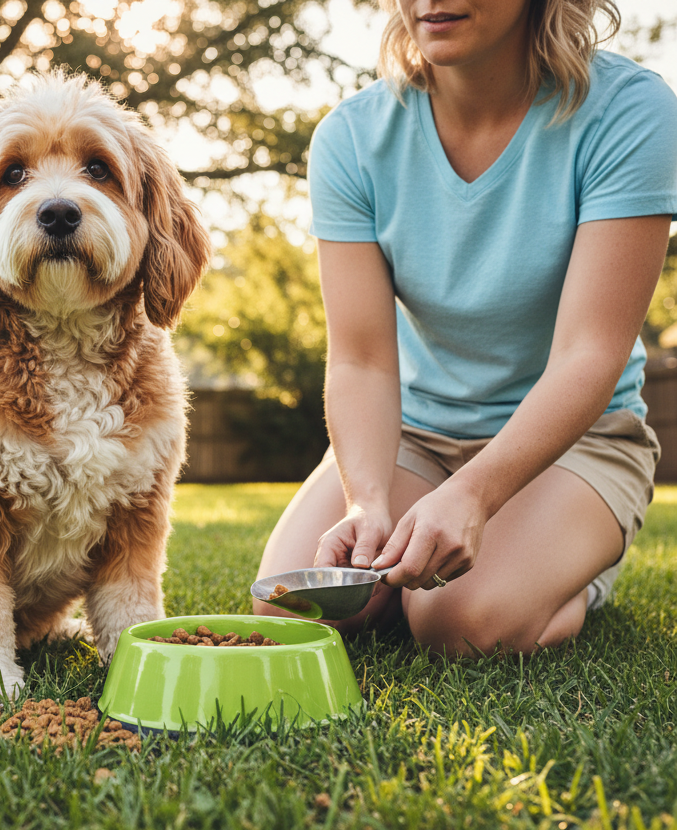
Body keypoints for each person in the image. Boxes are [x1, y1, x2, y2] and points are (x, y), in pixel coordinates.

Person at [254, 0, 677, 655]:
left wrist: (475, 496)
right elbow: (362, 360)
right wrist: (365, 501)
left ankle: (581, 569)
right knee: (289, 607)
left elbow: (589, 353)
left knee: (459, 625)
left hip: (577, 442)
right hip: (418, 436)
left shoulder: (629, 112)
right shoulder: (351, 138)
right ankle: (442, 561)